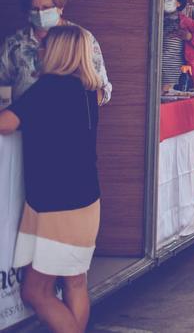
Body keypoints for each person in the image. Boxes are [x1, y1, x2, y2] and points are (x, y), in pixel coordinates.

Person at [0, 26, 102, 332]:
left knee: (35, 291)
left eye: (44, 47)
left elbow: (5, 123)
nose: (39, 52)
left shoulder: (48, 90)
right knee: (74, 283)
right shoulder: (88, 91)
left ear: (57, 52)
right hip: (83, 200)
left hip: (55, 205)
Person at [0, 0, 111, 106]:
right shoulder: (14, 43)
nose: (40, 13)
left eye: (46, 8)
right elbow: (2, 85)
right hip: (21, 122)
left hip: (68, 121)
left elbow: (103, 90)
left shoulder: (81, 39)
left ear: (60, 7)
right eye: (35, 9)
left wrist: (75, 108)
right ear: (27, 12)